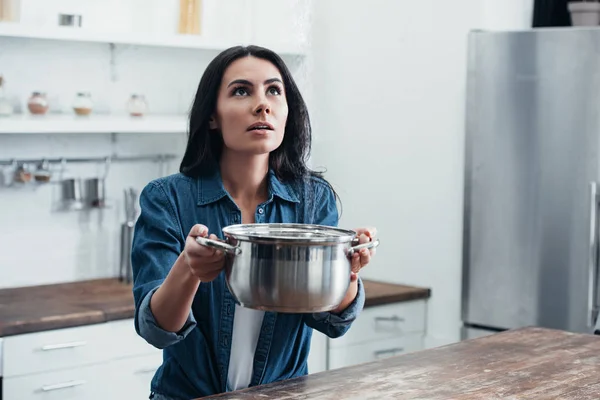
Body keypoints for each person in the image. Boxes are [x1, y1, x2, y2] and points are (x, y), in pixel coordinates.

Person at [131, 45, 378, 400]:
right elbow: (157, 330)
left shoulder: (313, 200)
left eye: (274, 90)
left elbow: (332, 321)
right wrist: (189, 267)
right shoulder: (167, 198)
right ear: (212, 115)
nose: (262, 104)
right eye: (241, 90)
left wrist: (348, 271)